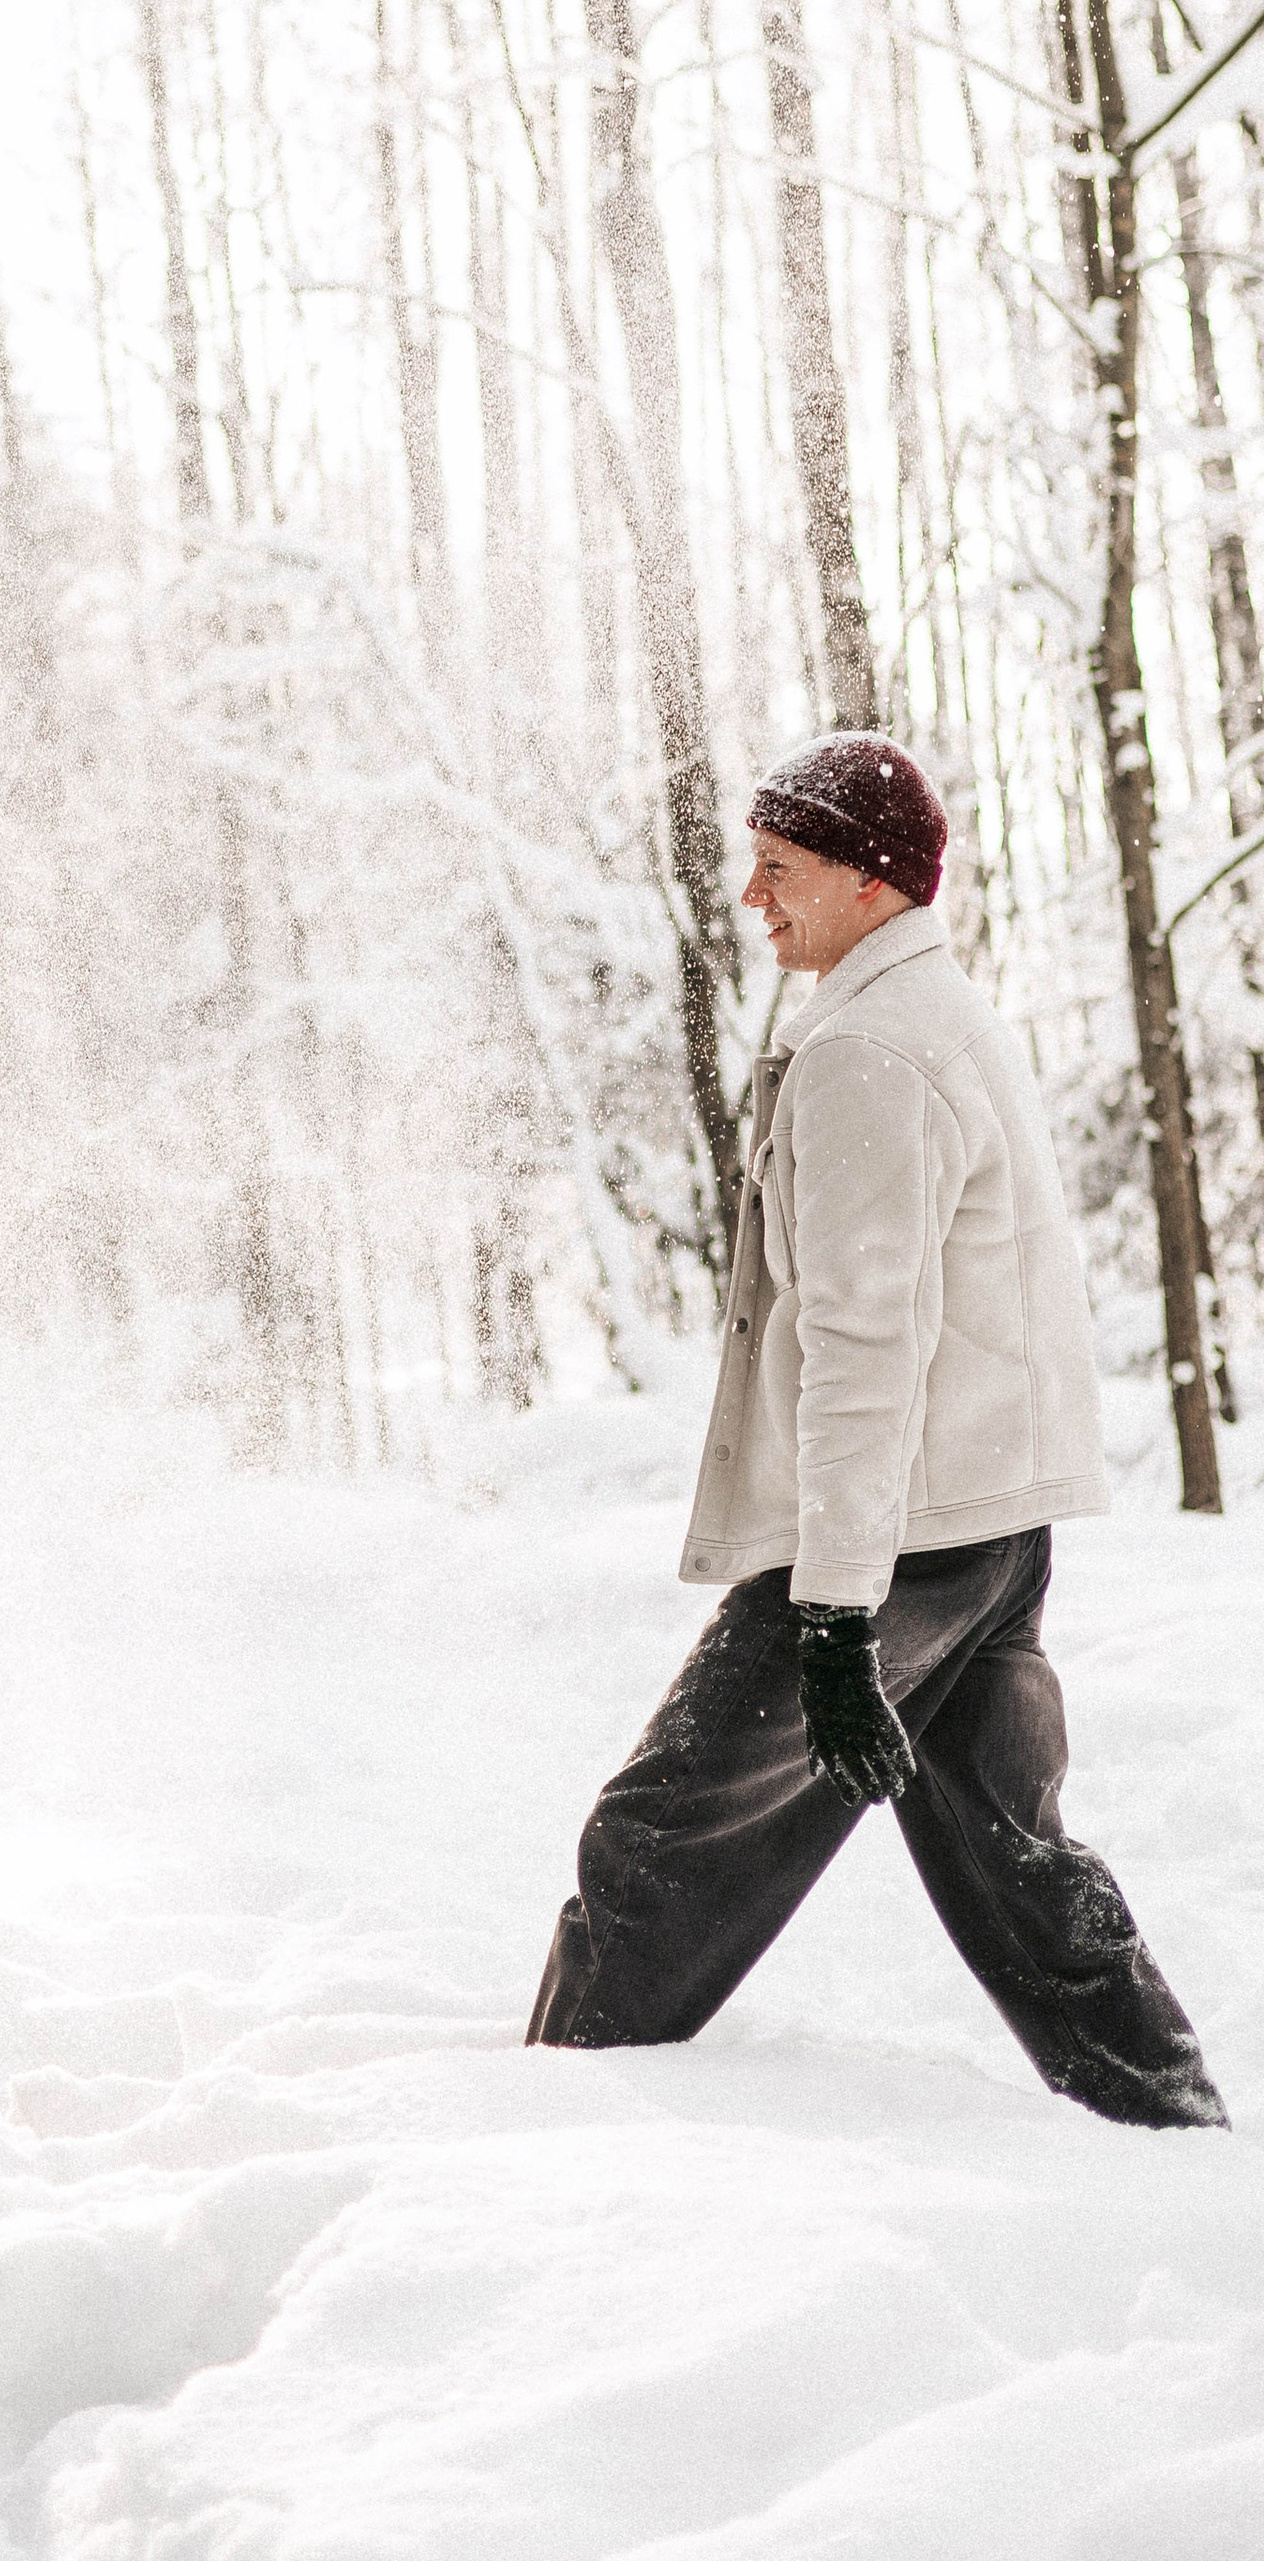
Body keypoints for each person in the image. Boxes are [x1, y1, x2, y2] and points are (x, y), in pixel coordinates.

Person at [528, 730, 1225, 2129]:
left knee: (655, 1845)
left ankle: (548, 2150)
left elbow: (865, 1346)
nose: (751, 897)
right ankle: (1181, 2138)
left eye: (778, 869)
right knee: (1015, 1868)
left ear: (864, 880)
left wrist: (836, 1619)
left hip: (893, 1543)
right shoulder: (937, 1014)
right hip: (985, 1527)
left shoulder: (866, 1054)